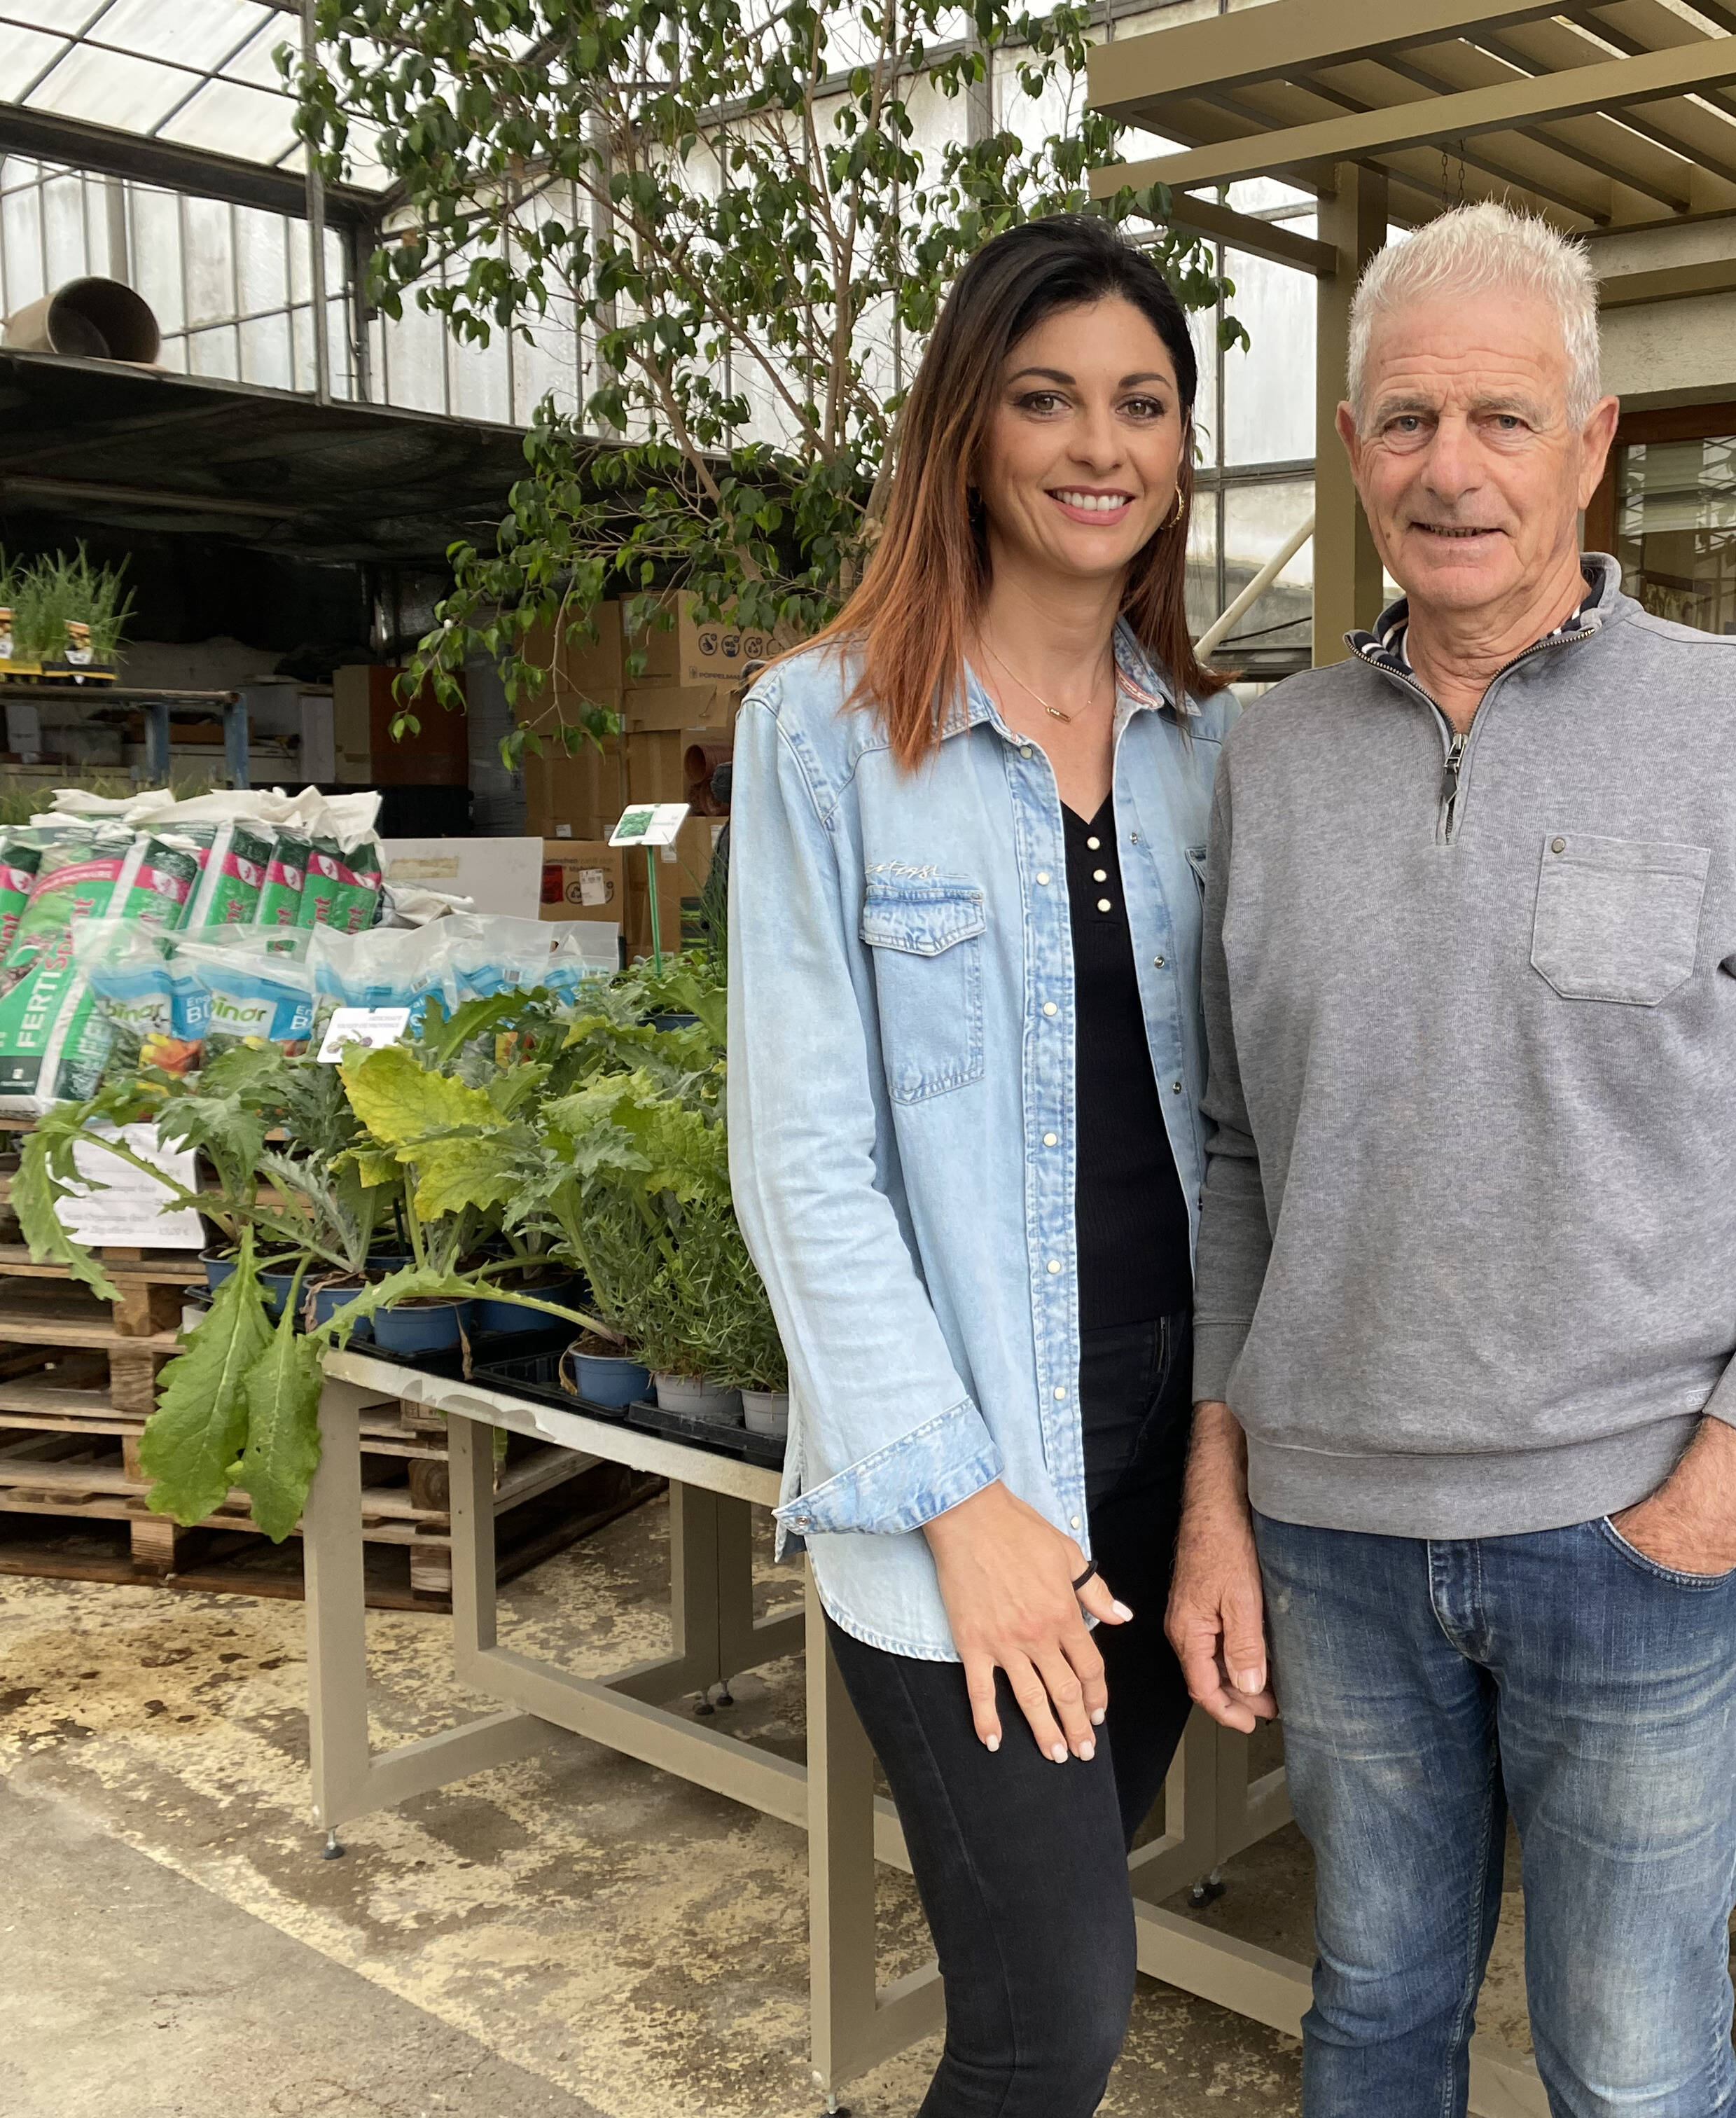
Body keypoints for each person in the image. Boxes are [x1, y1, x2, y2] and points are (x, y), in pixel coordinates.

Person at [1169, 202, 1736, 2117]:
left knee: (1629, 2058)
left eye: (1506, 419)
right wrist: (1220, 1490)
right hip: (1335, 1546)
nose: (1455, 470)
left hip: (1635, 1539)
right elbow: (1229, 1157)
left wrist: (1728, 1477)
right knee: (1371, 2016)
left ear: (1593, 444)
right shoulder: (1263, 759)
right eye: (1412, 421)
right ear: (1355, 452)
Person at [727, 215, 1230, 2118]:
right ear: (968, 428)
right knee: (1052, 2021)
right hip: (967, 1470)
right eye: (1046, 399)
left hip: (1165, 1446)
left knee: (1066, 1945)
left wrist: (1220, 1483)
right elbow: (801, 1160)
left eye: (1142, 403)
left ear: (1182, 448)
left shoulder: (1206, 753)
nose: (1097, 445)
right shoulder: (830, 734)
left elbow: (1237, 1149)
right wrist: (967, 1505)